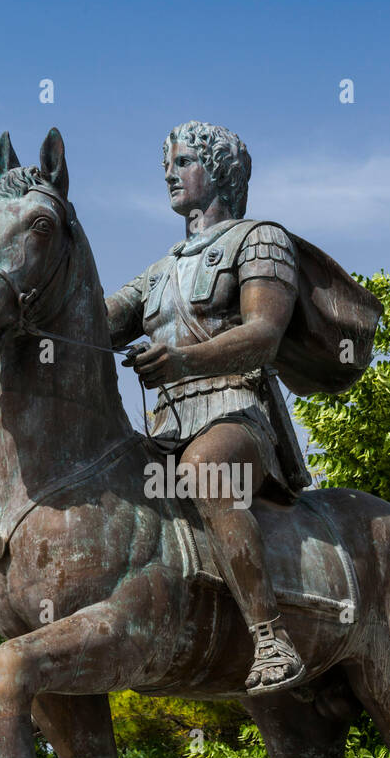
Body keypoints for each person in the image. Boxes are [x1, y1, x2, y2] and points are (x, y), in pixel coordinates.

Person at [105, 121, 311, 695]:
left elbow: (265, 333)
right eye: (166, 164)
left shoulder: (260, 240)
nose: (170, 172)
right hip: (165, 428)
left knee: (206, 471)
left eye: (184, 160)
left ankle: (271, 636)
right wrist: (12, 297)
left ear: (219, 171)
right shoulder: (157, 272)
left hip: (235, 412)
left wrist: (184, 362)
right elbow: (95, 321)